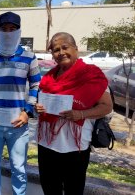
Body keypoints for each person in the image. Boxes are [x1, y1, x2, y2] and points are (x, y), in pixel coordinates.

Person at [34, 32, 113, 195]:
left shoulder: (91, 74)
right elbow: (42, 102)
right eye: (56, 50)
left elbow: (106, 106)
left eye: (65, 47)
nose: (61, 52)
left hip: (75, 147)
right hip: (47, 144)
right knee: (49, 189)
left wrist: (81, 114)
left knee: (73, 190)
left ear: (76, 49)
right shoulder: (48, 78)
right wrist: (39, 108)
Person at [0, 12, 41, 195]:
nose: (8, 32)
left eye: (12, 29)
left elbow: (36, 84)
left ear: (19, 31)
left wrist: (27, 111)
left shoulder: (29, 57)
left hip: (18, 125)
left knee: (19, 168)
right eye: (4, 29)